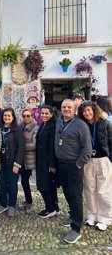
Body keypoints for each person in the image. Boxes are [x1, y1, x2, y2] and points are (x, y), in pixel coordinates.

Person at [55, 99, 92, 244]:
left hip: (74, 165)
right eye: (64, 107)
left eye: (69, 107)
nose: (66, 109)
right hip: (61, 164)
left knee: (76, 195)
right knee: (66, 192)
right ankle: (72, 214)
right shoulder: (59, 122)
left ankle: (76, 228)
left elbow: (87, 148)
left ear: (74, 109)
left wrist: (78, 164)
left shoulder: (80, 125)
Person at [78, 101, 112, 231]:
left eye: (88, 110)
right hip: (88, 160)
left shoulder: (105, 123)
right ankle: (91, 215)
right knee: (89, 189)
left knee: (104, 190)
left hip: (103, 159)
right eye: (84, 111)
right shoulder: (83, 125)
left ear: (94, 110)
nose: (87, 113)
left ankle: (105, 218)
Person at [0, 108, 24, 217]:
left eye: (9, 116)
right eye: (5, 116)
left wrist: (17, 163)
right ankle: (3, 204)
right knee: (1, 183)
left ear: (13, 117)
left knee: (12, 184)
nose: (6, 117)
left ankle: (12, 205)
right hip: (0, 162)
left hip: (13, 162)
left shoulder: (17, 129)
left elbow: (21, 147)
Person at [36, 105, 59, 218]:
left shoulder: (52, 126)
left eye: (46, 113)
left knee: (44, 186)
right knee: (49, 185)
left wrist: (52, 164)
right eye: (42, 113)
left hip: (47, 162)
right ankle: (55, 207)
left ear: (51, 114)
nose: (44, 115)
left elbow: (52, 147)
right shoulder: (43, 125)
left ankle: (50, 208)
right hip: (41, 160)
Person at [19, 108, 38, 212]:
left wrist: (20, 146)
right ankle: (28, 201)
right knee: (23, 181)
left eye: (28, 116)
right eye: (24, 116)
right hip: (21, 159)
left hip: (29, 159)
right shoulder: (21, 126)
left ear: (32, 116)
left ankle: (30, 203)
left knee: (25, 180)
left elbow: (34, 145)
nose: (26, 118)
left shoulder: (35, 128)